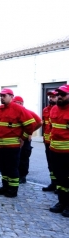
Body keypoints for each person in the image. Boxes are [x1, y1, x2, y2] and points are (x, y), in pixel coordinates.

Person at [0, 88, 36, 198]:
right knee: (2, 166)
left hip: (12, 146)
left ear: (11, 97)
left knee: (12, 167)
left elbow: (31, 124)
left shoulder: (18, 109)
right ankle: (5, 186)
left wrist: (24, 137)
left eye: (4, 95)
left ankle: (13, 190)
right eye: (0, 96)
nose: (1, 97)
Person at [48, 85, 69, 216]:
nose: (60, 96)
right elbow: (51, 128)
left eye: (63, 94)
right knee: (60, 179)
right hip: (55, 150)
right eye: (59, 94)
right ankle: (62, 202)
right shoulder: (54, 109)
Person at [12, 96, 42, 184]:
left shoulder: (28, 112)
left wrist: (30, 132)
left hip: (25, 139)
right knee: (15, 158)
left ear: (21, 103)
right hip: (15, 139)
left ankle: (22, 176)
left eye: (15, 103)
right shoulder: (14, 113)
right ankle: (15, 175)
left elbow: (40, 122)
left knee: (23, 158)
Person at [42, 90, 58, 192]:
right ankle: (54, 183)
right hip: (48, 142)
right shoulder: (45, 110)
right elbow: (44, 125)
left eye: (53, 96)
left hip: (58, 143)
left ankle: (61, 185)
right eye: (50, 97)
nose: (51, 98)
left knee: (59, 165)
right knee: (51, 164)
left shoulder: (60, 109)